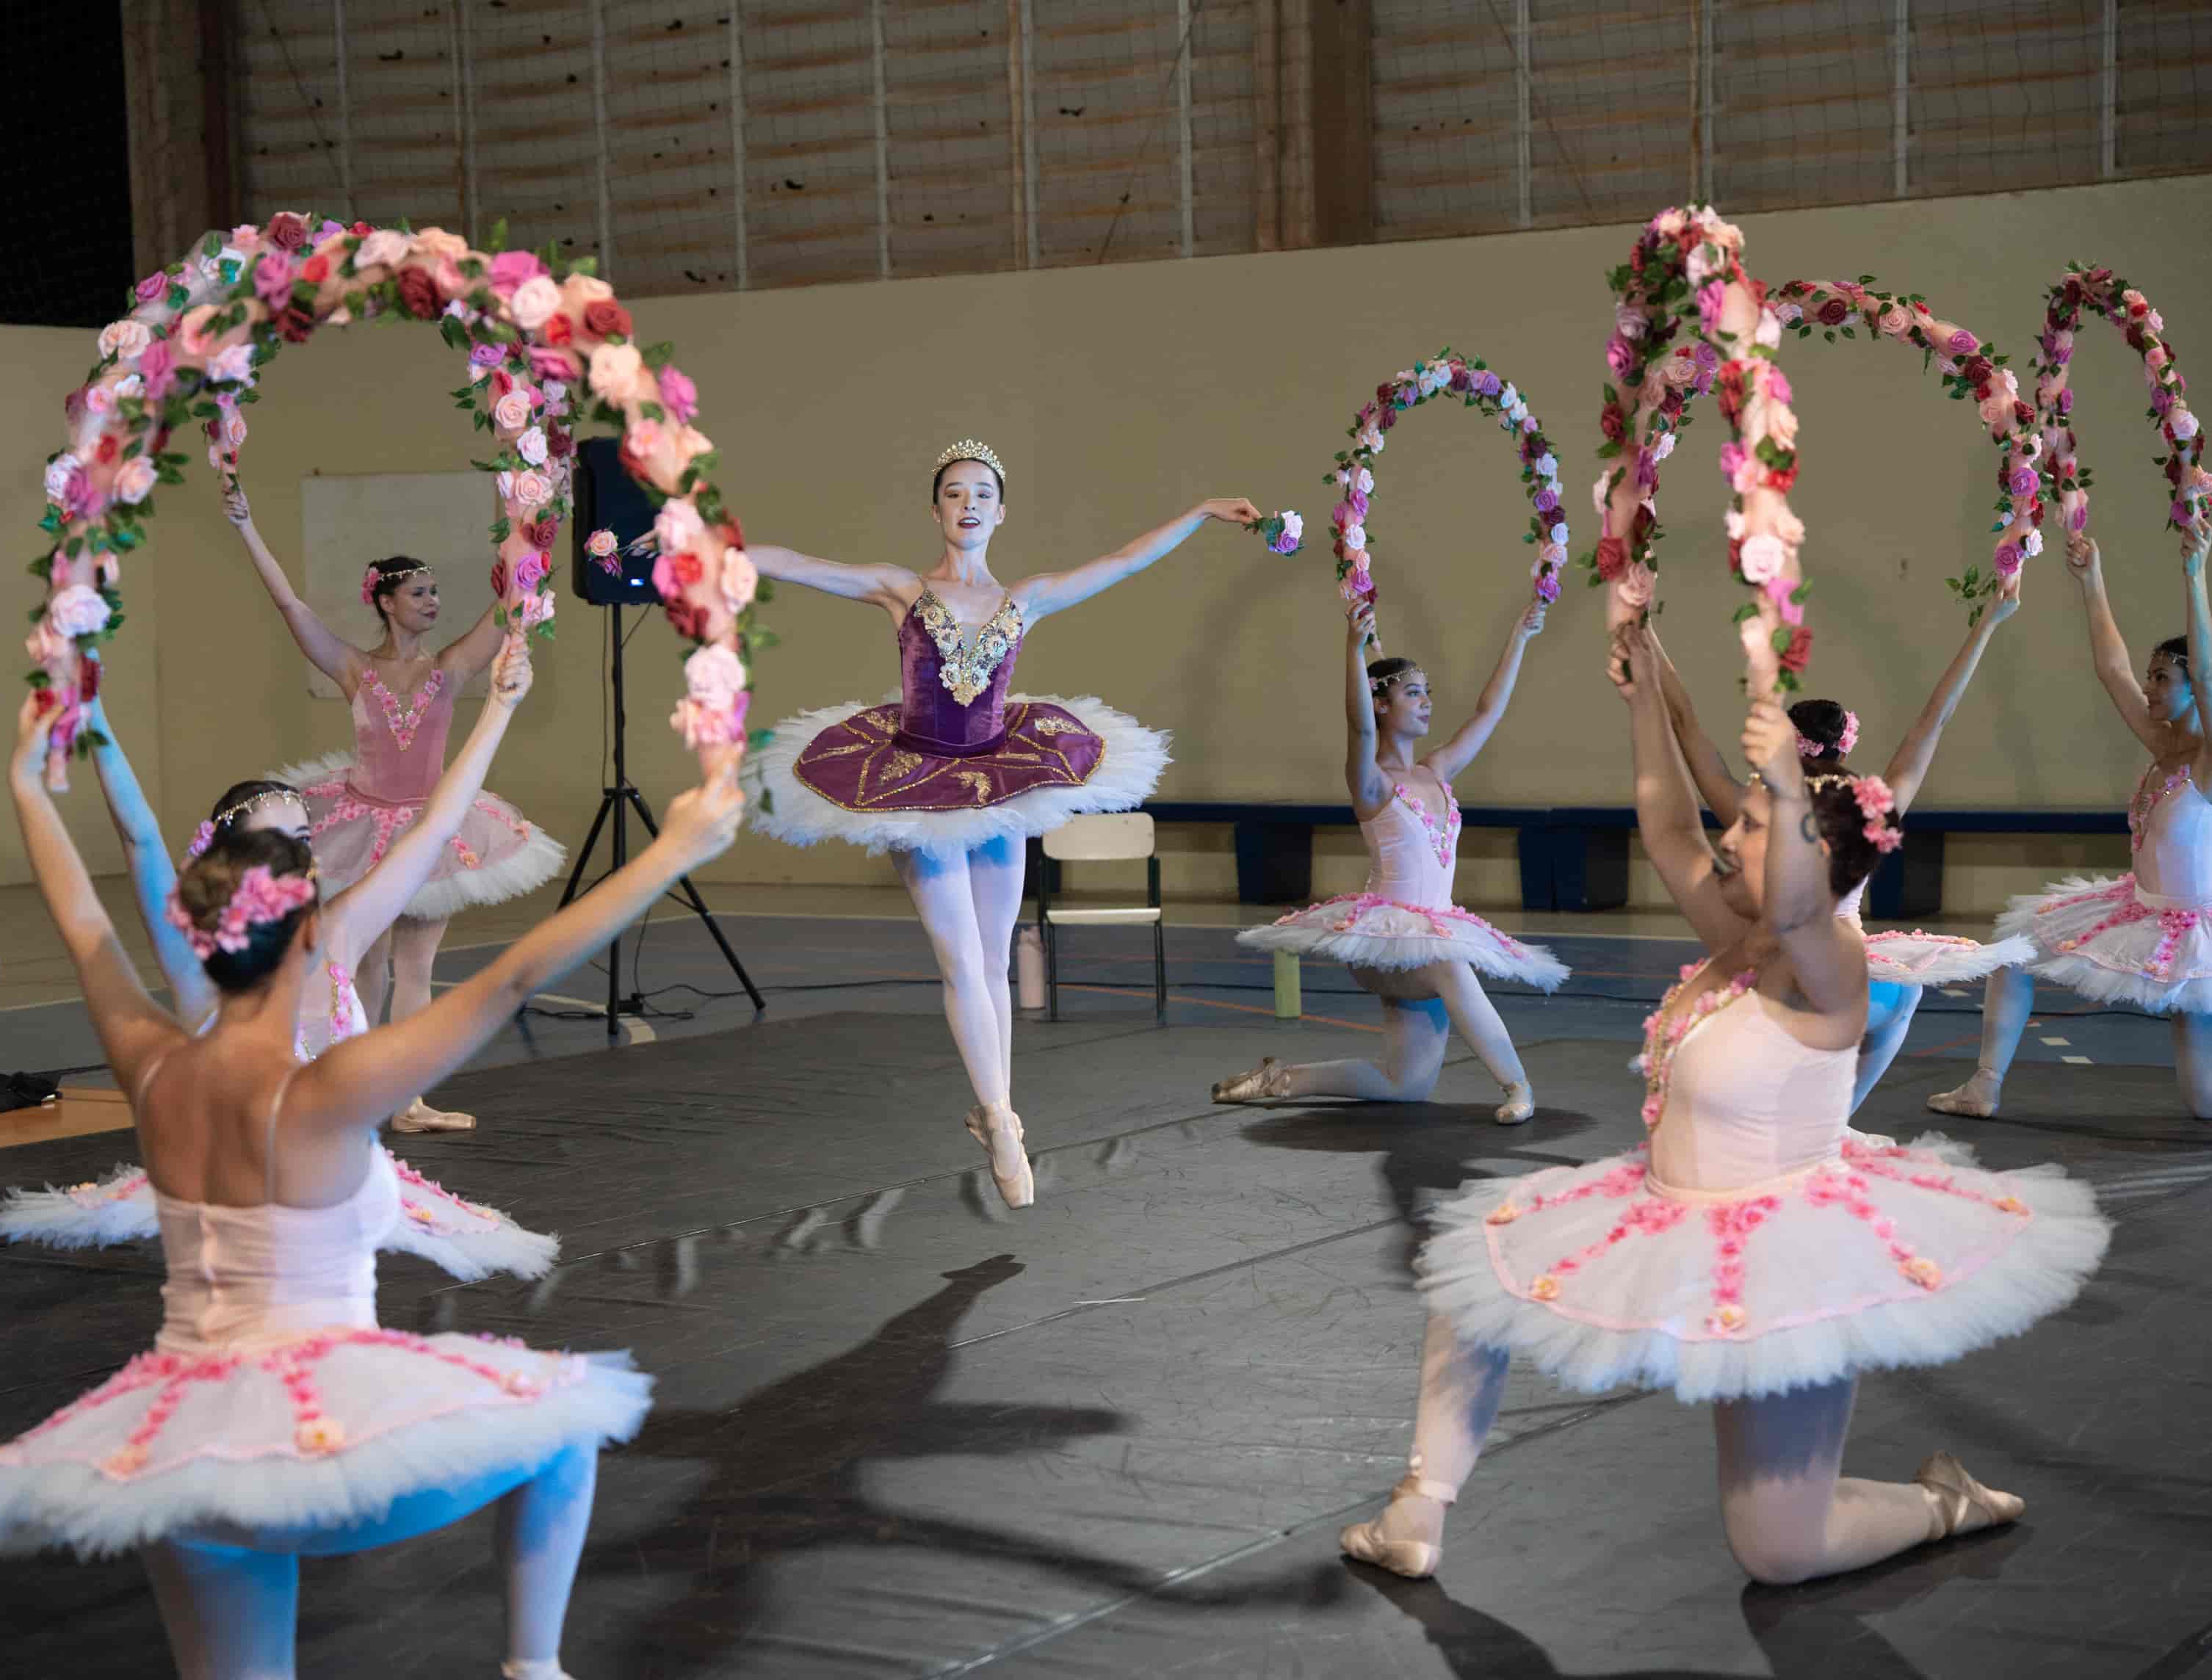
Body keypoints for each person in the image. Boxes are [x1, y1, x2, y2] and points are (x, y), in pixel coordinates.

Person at [0, 689, 745, 1679]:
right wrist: (670, 852)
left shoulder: (152, 1066)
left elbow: (86, 929)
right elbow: (509, 979)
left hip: (178, 1450)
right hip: (316, 1437)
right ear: (305, 939)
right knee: (562, 1429)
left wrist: (22, 784)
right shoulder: (326, 1092)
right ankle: (532, 1669)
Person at [1334, 621, 2108, 1587]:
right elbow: (1665, 824)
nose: (1724, 838)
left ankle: (1944, 1501)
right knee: (1475, 1282)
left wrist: (1773, 744)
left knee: (1780, 1552)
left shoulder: (1832, 965)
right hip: (1669, 1208)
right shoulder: (1737, 937)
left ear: (1814, 863)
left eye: (1750, 826)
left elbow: (1787, 897)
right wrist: (1643, 695)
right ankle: (1421, 1506)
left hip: (1789, 1255)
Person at [742, 440, 1260, 1206]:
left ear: (1001, 509)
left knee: (990, 964)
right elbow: (797, 562)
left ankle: (998, 1115)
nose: (968, 503)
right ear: (935, 509)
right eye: (954, 492)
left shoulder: (1028, 596)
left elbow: (1122, 560)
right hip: (915, 785)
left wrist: (1196, 512)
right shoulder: (901, 589)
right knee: (959, 963)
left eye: (981, 491)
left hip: (1000, 779)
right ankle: (1000, 1116)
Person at [0, 641, 554, 1281]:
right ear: (232, 861)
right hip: (238, 1213)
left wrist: (500, 708)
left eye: (305, 837)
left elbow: (433, 827)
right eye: (277, 841)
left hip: (340, 1200)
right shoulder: (196, 957)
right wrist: (93, 718)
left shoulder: (338, 930)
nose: (301, 857)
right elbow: (140, 837)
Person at [226, 480, 565, 1132]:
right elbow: (289, 604)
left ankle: (408, 1099)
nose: (434, 601)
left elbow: (514, 601)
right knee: (364, 961)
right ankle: (352, 1082)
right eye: (419, 593)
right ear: (385, 602)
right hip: (357, 824)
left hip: (431, 830)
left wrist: (527, 513)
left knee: (417, 965)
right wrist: (246, 527)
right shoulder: (354, 668)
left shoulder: (454, 667)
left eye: (436, 591)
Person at [1651, 594, 2032, 1109]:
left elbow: (1684, 724)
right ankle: (1838, 1120)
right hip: (1864, 988)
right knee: (1907, 995)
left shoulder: (1758, 807)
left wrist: (1643, 629)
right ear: (1844, 748)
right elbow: (1934, 720)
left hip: (1793, 984)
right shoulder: (1868, 808)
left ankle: (1807, 1118)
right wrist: (1987, 623)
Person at [1216, 593, 1566, 1123]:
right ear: (1382, 704)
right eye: (1413, 693)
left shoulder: (1436, 771)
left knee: (1406, 1084)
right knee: (1451, 966)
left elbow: (1488, 711)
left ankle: (1281, 1079)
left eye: (1428, 693)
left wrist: (1519, 636)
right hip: (1385, 942)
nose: (1427, 702)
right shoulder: (1372, 782)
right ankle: (1517, 1086)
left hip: (1433, 931)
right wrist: (1354, 648)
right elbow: (1358, 729)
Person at [1931, 526, 2212, 1118]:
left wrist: (2194, 576)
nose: (2149, 685)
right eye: (2153, 675)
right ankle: (1984, 1085)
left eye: (2163, 677)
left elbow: (2208, 674)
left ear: (2195, 690)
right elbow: (2111, 670)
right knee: (2014, 952)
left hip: (2193, 933)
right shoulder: (2161, 744)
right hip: (2139, 908)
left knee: (2204, 1104)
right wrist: (2092, 581)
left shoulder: (2207, 762)